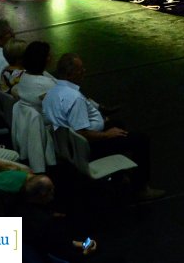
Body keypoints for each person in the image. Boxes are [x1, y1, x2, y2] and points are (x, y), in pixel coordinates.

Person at [40, 53, 159, 198]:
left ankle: (119, 176)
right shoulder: (74, 98)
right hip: (87, 147)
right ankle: (140, 187)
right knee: (141, 139)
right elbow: (82, 133)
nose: (84, 71)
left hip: (66, 144)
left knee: (117, 124)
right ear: (70, 74)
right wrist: (107, 135)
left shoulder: (52, 92)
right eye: (80, 69)